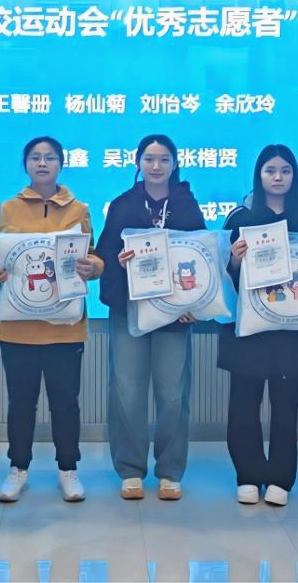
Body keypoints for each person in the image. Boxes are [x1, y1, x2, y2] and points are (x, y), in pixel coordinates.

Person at [0, 136, 103, 503]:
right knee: (20, 404)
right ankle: (17, 470)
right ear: (25, 164)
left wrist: (93, 267)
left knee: (65, 403)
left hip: (65, 327)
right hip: (17, 326)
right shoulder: (8, 208)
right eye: (35, 157)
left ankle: (68, 470)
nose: (42, 163)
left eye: (49, 157)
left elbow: (93, 255)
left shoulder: (79, 209)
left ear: (61, 164)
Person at [219, 144, 298, 507]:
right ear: (259, 175)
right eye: (270, 170)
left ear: (294, 176)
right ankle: (248, 475)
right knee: (244, 405)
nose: (278, 177)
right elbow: (221, 277)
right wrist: (235, 261)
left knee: (286, 408)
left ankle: (281, 478)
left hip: (292, 331)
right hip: (248, 330)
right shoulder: (239, 217)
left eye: (285, 170)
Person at [94, 134, 205, 501]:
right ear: (137, 163)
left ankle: (170, 470)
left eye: (164, 159)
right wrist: (117, 261)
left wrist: (194, 303)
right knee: (126, 390)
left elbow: (202, 258)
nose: (156, 166)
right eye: (149, 159)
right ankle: (130, 469)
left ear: (175, 164)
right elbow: (104, 254)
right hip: (129, 308)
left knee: (172, 393)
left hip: (175, 313)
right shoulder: (122, 204)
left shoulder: (188, 205)